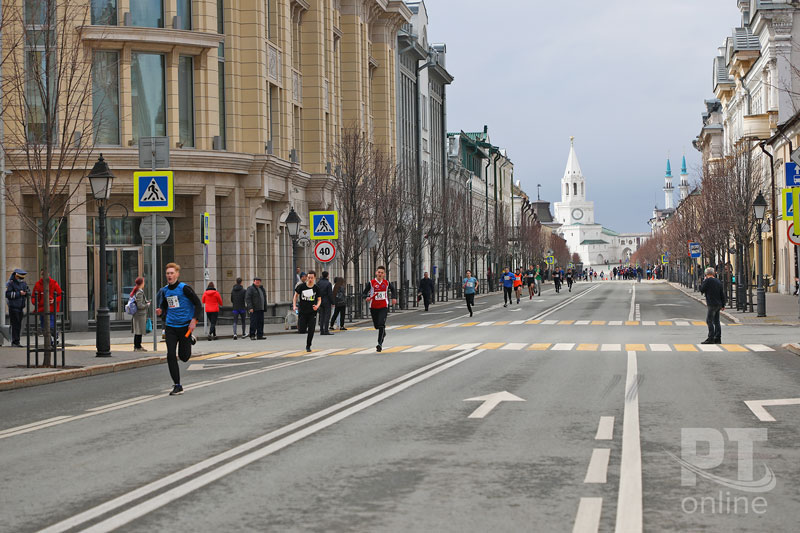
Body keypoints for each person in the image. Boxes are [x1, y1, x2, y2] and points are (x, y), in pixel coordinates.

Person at [156, 263, 202, 396]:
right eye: (167, 273)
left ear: (177, 274)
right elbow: (164, 306)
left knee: (184, 357)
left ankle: (189, 340)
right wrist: (160, 311)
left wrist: (194, 320)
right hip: (171, 326)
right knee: (171, 355)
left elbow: (198, 304)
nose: (169, 275)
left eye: (172, 273)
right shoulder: (165, 291)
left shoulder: (184, 289)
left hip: (185, 327)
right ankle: (177, 385)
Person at [362, 265, 397, 352]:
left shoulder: (386, 283)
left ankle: (379, 344)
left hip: (383, 307)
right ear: (376, 273)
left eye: (382, 273)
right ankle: (383, 332)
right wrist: (366, 297)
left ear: (384, 274)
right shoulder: (371, 283)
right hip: (373, 307)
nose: (380, 274)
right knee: (377, 326)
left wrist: (394, 298)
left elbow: (393, 290)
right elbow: (364, 293)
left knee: (381, 324)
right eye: (379, 272)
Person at [293, 270, 321, 351]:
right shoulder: (301, 287)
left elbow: (319, 299)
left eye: (312, 278)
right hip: (302, 311)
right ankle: (302, 328)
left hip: (312, 311)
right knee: (302, 329)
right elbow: (295, 296)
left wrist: (317, 306)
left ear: (314, 278)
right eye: (308, 278)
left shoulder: (316, 288)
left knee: (311, 329)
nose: (310, 279)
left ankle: (308, 345)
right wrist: (294, 306)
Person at [33, 270, 62, 346]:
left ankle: (54, 337)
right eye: (42, 274)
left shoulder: (54, 283)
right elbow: (34, 297)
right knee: (44, 327)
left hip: (52, 309)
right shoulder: (38, 284)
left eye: (45, 274)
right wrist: (36, 302)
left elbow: (60, 295)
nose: (43, 276)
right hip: (42, 309)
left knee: (51, 325)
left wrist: (54, 300)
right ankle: (50, 341)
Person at [699, 267, 726, 344]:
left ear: (706, 274)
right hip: (718, 303)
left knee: (709, 321)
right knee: (717, 321)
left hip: (711, 303)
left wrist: (703, 281)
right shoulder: (718, 281)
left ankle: (711, 338)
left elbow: (702, 290)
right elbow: (722, 293)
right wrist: (723, 304)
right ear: (713, 273)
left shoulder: (707, 281)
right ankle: (718, 338)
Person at [6, 268, 28, 347]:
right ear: (16, 276)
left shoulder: (23, 284)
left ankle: (17, 341)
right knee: (15, 325)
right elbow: (8, 294)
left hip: (20, 307)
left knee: (18, 325)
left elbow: (27, 291)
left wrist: (26, 293)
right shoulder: (11, 284)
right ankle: (15, 341)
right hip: (13, 307)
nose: (21, 279)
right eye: (20, 277)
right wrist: (19, 293)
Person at [130, 276, 150, 352]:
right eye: (143, 282)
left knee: (138, 331)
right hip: (140, 314)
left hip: (137, 315)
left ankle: (138, 346)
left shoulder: (137, 291)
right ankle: (137, 347)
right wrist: (147, 305)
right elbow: (140, 305)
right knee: (139, 331)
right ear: (142, 283)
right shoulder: (139, 292)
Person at [316, 271, 334, 335]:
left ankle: (321, 330)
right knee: (327, 316)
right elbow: (330, 294)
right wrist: (333, 302)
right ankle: (326, 330)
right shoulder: (328, 284)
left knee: (322, 316)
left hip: (320, 301)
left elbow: (316, 292)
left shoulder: (318, 283)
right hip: (327, 301)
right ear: (327, 275)